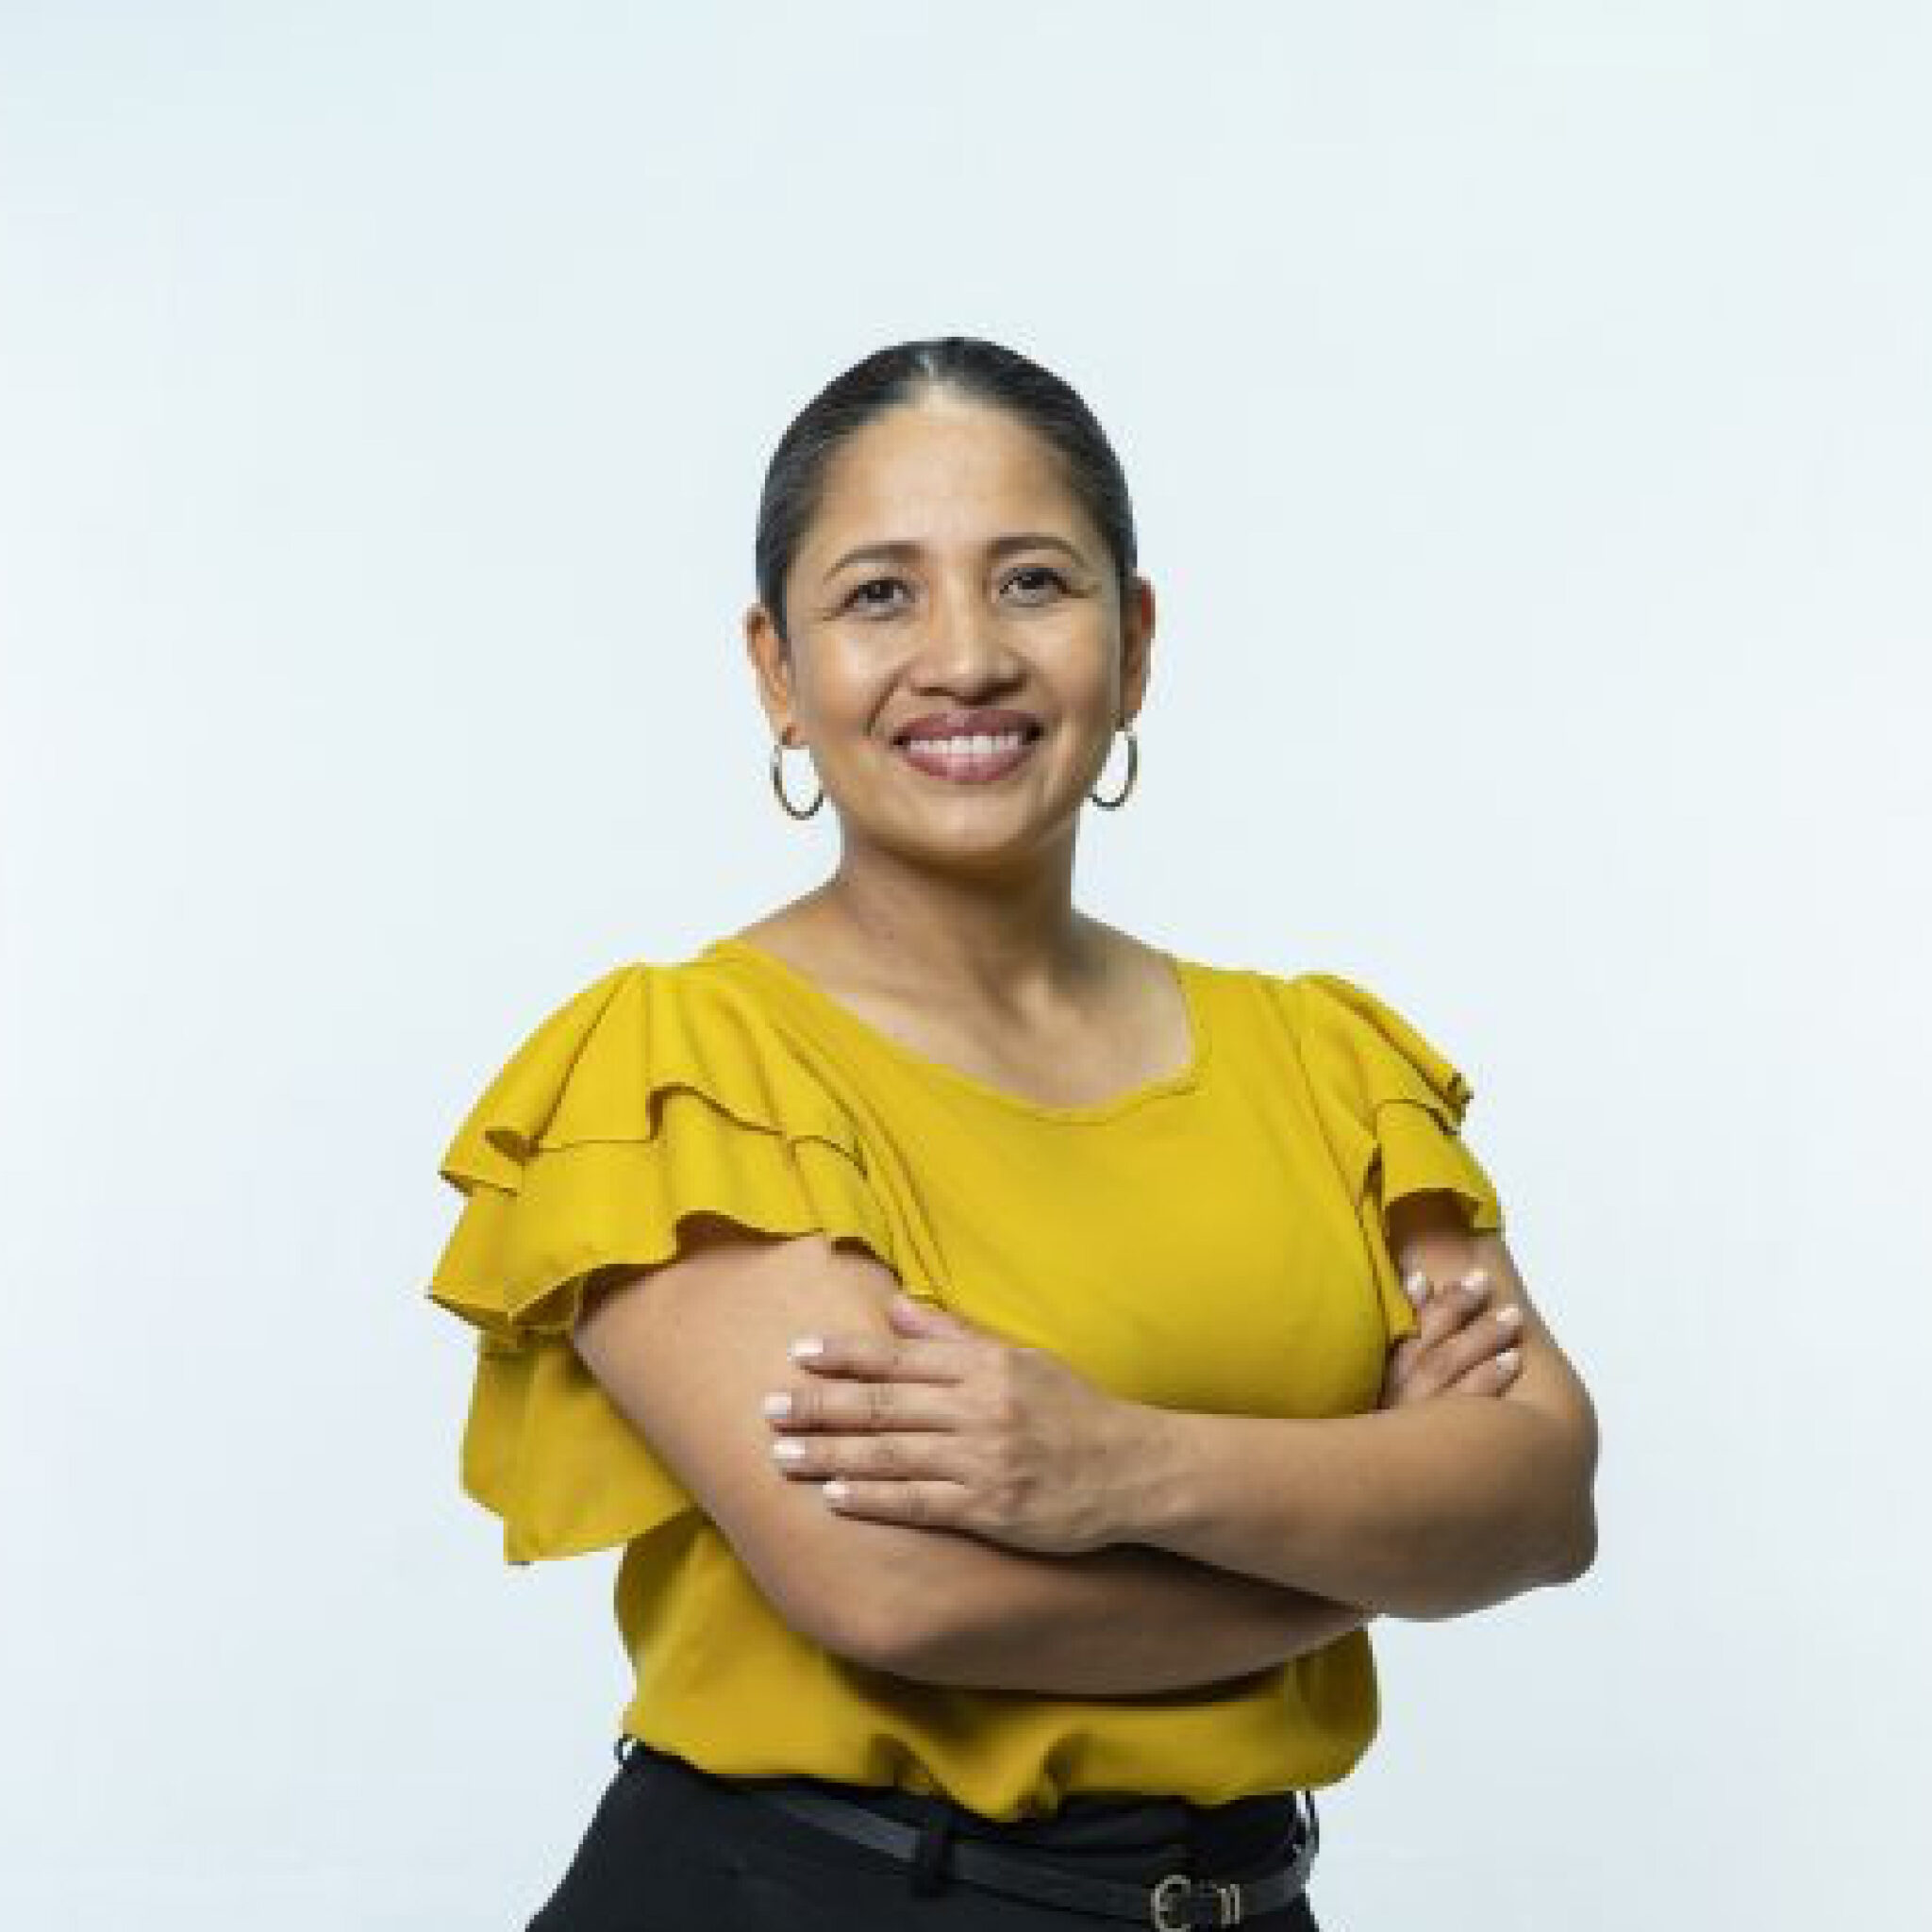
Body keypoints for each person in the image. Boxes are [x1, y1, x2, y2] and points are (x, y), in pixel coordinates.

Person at [425, 336, 1601, 1930]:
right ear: (778, 671)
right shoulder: (685, 1070)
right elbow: (898, 1588)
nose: (967, 658)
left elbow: (1539, 1501)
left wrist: (1118, 1467)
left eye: (1034, 582)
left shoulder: (1326, 1066)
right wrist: (1380, 1539)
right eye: (880, 595)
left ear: (1136, 641)